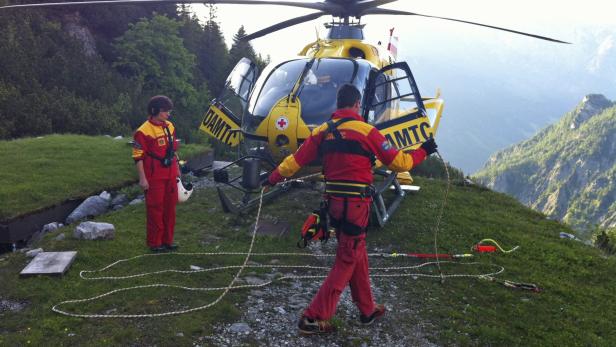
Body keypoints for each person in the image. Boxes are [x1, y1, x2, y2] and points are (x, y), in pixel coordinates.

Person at [264, 84, 438, 334]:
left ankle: (366, 311)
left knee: (357, 253)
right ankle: (313, 317)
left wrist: (271, 178)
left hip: (333, 205)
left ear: (338, 104)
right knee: (347, 258)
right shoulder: (368, 131)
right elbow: (400, 163)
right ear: (357, 105)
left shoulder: (323, 131)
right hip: (357, 206)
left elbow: (295, 162)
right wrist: (423, 151)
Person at [132, 95, 180, 252]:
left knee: (170, 208)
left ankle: (168, 240)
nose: (168, 114)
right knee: (155, 209)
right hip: (154, 177)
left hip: (170, 173)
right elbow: (138, 157)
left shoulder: (170, 126)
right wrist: (142, 179)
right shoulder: (142, 131)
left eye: (168, 111)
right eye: (165, 111)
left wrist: (177, 169)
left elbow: (173, 151)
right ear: (155, 111)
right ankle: (155, 243)